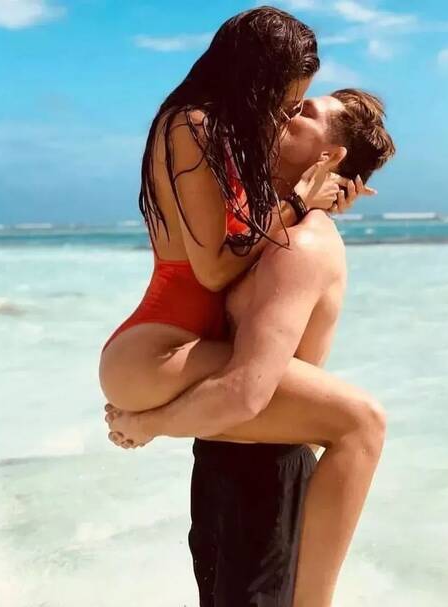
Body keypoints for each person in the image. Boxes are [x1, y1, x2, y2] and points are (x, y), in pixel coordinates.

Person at [105, 87, 395, 606]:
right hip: (218, 463)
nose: (287, 112)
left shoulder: (302, 245)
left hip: (265, 480)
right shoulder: (263, 226)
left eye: (305, 113)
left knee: (362, 422)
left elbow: (246, 389)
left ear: (330, 156)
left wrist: (147, 423)